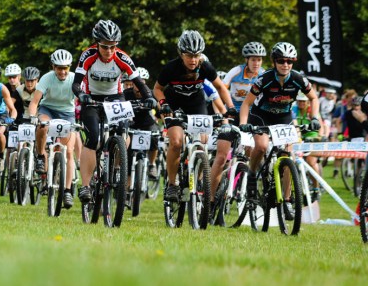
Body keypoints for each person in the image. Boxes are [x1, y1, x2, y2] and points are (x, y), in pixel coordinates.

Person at [72, 20, 155, 205]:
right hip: (92, 98)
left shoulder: (122, 57)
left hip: (115, 98)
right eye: (104, 46)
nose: (109, 50)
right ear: (97, 43)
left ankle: (117, 168)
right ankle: (85, 186)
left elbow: (139, 83)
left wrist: (149, 97)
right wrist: (81, 95)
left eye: (113, 46)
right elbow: (76, 83)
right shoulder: (88, 55)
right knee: (93, 138)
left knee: (123, 134)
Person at [153, 30, 235, 203]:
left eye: (196, 55)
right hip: (174, 104)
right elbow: (157, 89)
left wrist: (231, 108)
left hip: (196, 104)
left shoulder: (205, 66)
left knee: (203, 142)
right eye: (189, 55)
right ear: (181, 54)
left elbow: (220, 87)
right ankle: (172, 184)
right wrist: (163, 104)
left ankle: (197, 175)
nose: (193, 60)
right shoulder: (171, 68)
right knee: (176, 142)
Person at [239, 42, 321, 200]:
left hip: (284, 116)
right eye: (281, 61)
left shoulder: (298, 78)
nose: (285, 65)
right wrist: (243, 123)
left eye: (289, 61)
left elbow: (314, 98)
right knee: (262, 146)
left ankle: (287, 199)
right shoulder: (265, 79)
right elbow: (246, 104)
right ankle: (252, 173)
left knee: (288, 155)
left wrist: (315, 117)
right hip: (261, 115)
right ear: (274, 62)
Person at [26, 48, 78, 208]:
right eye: (59, 68)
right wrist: (33, 116)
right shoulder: (46, 78)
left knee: (69, 152)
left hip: (67, 113)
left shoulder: (75, 78)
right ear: (53, 67)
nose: (62, 72)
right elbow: (35, 102)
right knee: (42, 126)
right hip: (48, 109)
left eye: (65, 68)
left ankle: (67, 191)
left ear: (69, 67)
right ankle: (41, 156)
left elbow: (81, 99)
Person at [223, 42, 266, 111]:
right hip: (234, 109)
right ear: (246, 60)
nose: (256, 63)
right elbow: (221, 89)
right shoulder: (236, 71)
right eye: (253, 60)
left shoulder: (263, 74)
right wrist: (230, 107)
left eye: (259, 60)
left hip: (253, 111)